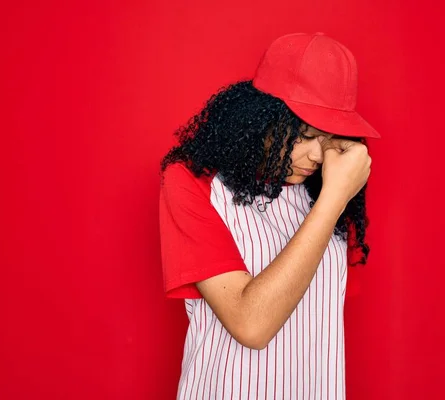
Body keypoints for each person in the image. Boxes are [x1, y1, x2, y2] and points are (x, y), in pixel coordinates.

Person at [159, 32, 380, 399]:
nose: (317, 157)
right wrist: (334, 198)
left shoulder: (321, 191)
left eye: (330, 141)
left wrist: (331, 197)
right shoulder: (192, 183)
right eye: (305, 135)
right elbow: (251, 325)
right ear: (259, 118)